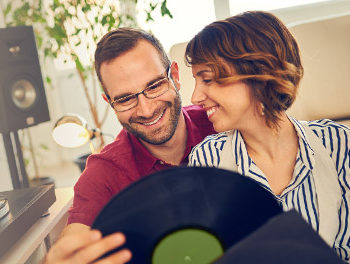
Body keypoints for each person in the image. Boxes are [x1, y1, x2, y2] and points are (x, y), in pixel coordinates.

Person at [186, 11, 350, 262]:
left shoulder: (339, 144)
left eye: (207, 79)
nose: (195, 97)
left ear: (258, 75)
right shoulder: (207, 160)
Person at [45, 28, 215, 263]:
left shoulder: (219, 122)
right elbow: (72, 242)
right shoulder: (102, 173)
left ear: (175, 76)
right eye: (125, 99)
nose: (146, 110)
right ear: (109, 102)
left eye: (154, 85)